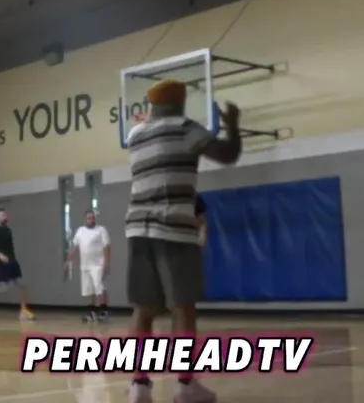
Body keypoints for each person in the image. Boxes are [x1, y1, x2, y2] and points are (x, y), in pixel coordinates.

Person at [125, 80, 241, 403]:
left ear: (151, 106)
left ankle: (139, 386)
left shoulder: (135, 135)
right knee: (182, 307)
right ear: (181, 102)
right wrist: (232, 126)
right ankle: (186, 385)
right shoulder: (187, 128)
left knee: (143, 309)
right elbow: (228, 154)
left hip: (137, 230)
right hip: (174, 228)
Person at [67, 210, 111, 322]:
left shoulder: (101, 230)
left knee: (99, 288)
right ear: (86, 219)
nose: (91, 220)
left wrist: (106, 263)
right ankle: (92, 313)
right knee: (88, 290)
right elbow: (75, 246)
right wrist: (69, 260)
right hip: (85, 265)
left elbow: (106, 247)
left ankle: (104, 312)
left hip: (98, 265)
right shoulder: (80, 231)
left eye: (93, 218)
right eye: (89, 218)